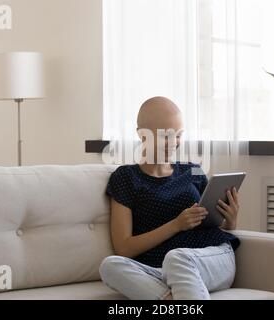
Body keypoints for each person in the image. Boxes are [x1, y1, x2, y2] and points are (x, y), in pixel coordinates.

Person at [99, 97, 240, 300]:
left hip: (209, 259)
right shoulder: (125, 178)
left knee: (176, 258)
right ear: (142, 135)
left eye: (179, 135)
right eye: (166, 136)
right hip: (159, 269)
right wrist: (176, 225)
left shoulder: (193, 171)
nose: (174, 143)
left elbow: (216, 227)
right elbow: (124, 248)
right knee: (110, 266)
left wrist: (231, 220)